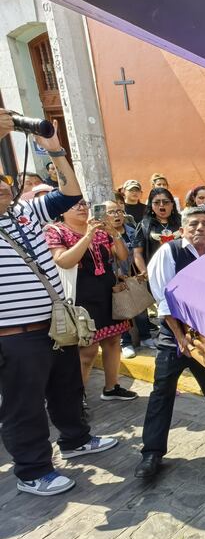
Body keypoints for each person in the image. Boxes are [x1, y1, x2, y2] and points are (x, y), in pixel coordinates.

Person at [0, 112, 118, 496]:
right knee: (25, 405)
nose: (2, 186)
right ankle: (32, 471)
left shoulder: (24, 212)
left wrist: (55, 150)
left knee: (67, 389)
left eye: (3, 181)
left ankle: (76, 440)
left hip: (53, 325)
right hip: (14, 336)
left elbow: (69, 194)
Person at [134, 207, 205, 479]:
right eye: (193, 224)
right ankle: (152, 453)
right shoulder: (169, 252)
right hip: (173, 335)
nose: (200, 228)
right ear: (182, 229)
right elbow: (164, 298)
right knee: (162, 390)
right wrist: (180, 337)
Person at [45, 198, 137, 402]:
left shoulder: (102, 230)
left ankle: (111, 387)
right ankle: (77, 398)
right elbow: (63, 261)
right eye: (75, 204)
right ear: (61, 210)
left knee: (113, 341)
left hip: (107, 293)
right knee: (87, 351)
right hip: (80, 298)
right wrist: (88, 235)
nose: (82, 208)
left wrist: (113, 233)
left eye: (84, 204)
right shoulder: (56, 231)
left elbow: (122, 256)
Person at [106, 199, 154, 358]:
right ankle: (125, 342)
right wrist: (116, 274)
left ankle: (146, 337)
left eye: (119, 211)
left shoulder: (132, 230)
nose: (116, 215)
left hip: (134, 276)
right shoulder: (102, 235)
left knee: (141, 308)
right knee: (123, 310)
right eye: (111, 212)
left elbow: (139, 253)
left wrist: (141, 271)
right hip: (115, 279)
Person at [133, 187, 181, 274]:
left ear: (172, 204)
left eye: (166, 202)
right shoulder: (144, 225)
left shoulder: (183, 222)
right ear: (151, 205)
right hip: (156, 273)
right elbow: (137, 253)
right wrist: (145, 272)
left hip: (182, 270)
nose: (161, 205)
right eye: (156, 202)